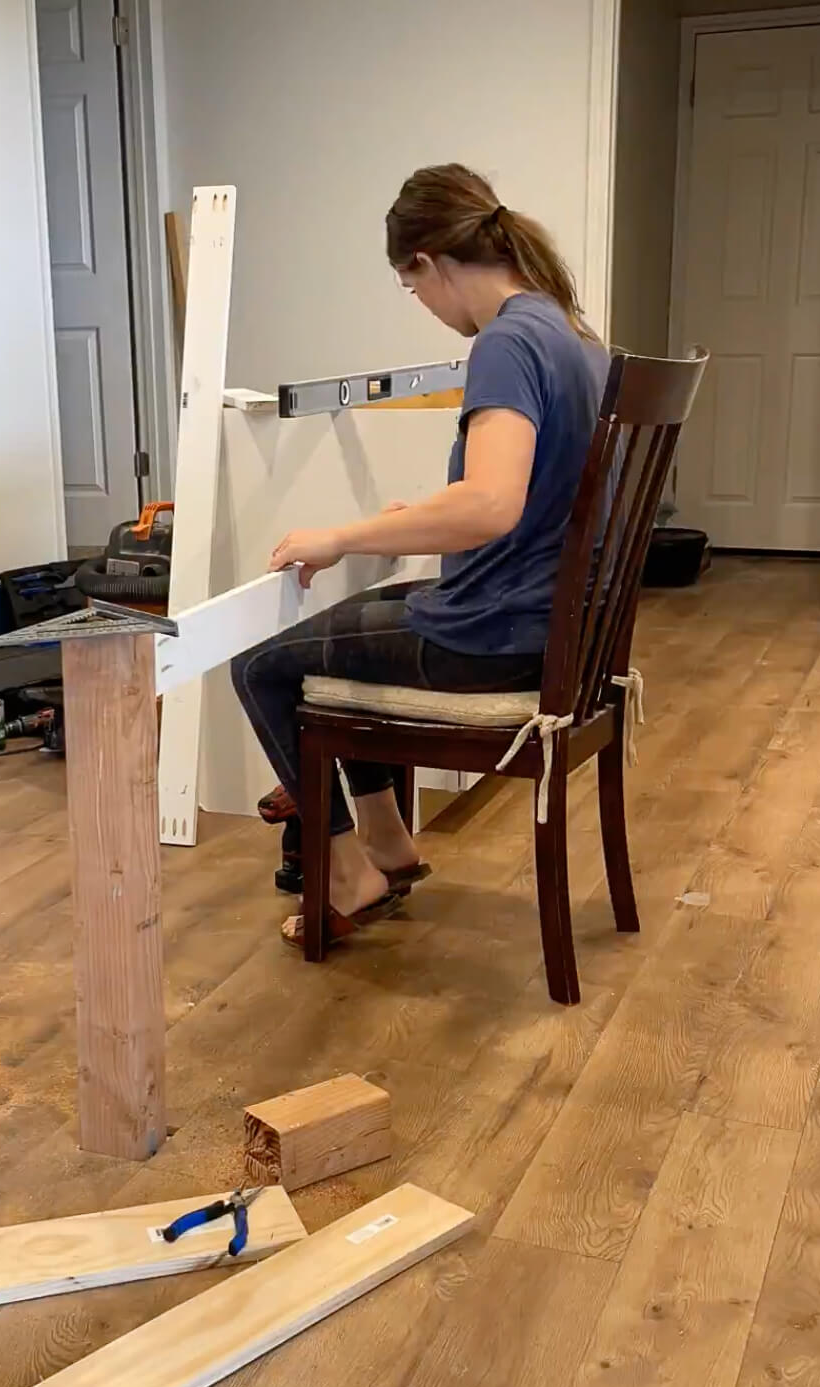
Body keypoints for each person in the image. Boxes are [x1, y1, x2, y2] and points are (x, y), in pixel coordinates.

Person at [231, 162, 612, 945]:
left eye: (412, 289)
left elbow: (492, 503)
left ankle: (348, 874)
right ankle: (389, 845)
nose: (424, 306)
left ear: (430, 265)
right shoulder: (570, 332)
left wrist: (341, 536)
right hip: (550, 623)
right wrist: (424, 516)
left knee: (263, 665)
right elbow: (535, 493)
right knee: (347, 631)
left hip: (498, 638)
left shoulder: (506, 342)